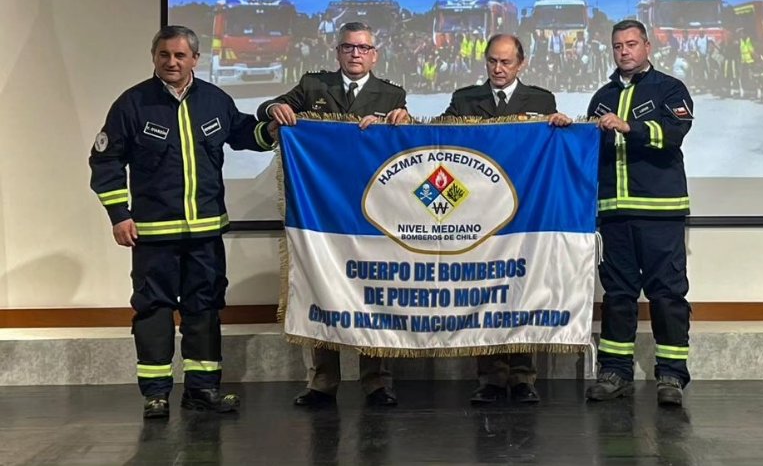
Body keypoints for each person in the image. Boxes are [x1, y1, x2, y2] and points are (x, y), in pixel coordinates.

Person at [89, 25, 277, 420]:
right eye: (164, 55)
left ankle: (202, 390)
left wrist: (274, 129)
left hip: (206, 233)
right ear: (154, 57)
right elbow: (105, 162)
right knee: (153, 311)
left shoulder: (215, 99)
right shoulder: (132, 104)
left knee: (204, 309)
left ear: (195, 59)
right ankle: (156, 394)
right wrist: (119, 215)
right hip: (153, 235)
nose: (171, 62)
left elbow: (246, 134)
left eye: (179, 55)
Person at [259, 21, 409, 409]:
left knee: (375, 294)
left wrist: (400, 124)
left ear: (374, 54)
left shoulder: (392, 94)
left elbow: (403, 149)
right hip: (322, 212)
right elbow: (268, 108)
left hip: (372, 214)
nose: (355, 54)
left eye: (363, 48)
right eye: (348, 48)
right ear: (337, 52)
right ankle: (322, 382)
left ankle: (377, 382)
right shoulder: (313, 86)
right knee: (320, 289)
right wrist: (274, 107)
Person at [442, 34, 567, 405]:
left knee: (522, 292)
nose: (498, 69)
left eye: (506, 63)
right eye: (492, 62)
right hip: (479, 215)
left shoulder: (542, 100)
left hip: (526, 212)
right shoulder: (465, 99)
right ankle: (491, 379)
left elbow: (549, 150)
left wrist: (559, 127)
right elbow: (440, 136)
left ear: (521, 64)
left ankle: (524, 377)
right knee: (486, 293)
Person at [583, 20, 694, 408]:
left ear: (647, 46)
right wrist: (569, 130)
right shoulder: (602, 96)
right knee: (617, 295)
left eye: (631, 44)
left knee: (667, 295)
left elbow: (674, 132)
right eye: (617, 46)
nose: (624, 51)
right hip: (613, 214)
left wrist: (629, 127)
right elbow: (587, 150)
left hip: (660, 213)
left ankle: (671, 376)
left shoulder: (670, 89)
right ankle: (615, 371)